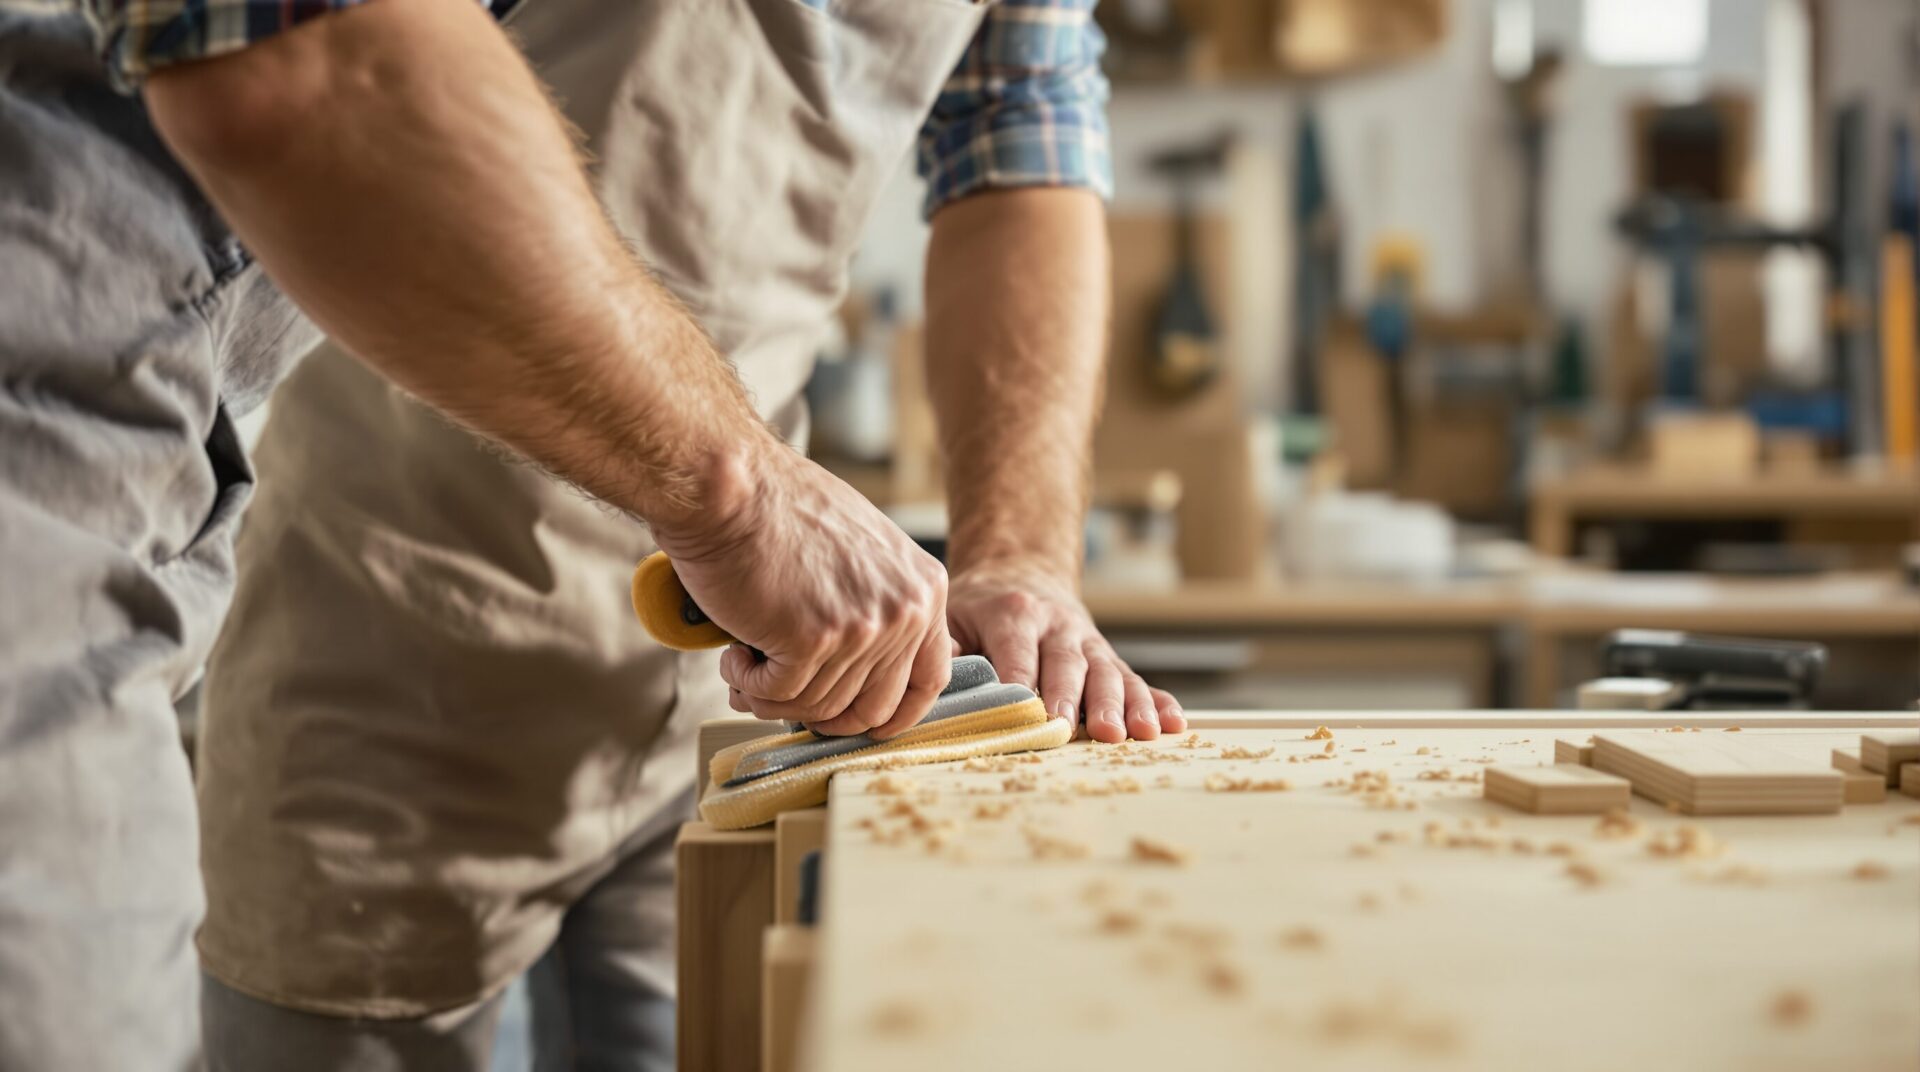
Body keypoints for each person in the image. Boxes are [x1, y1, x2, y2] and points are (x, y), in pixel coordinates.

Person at [0, 0, 1184, 1067]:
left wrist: (1019, 550)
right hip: (394, 623)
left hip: (747, 683)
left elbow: (1020, 127)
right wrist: (743, 496)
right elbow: (313, 69)